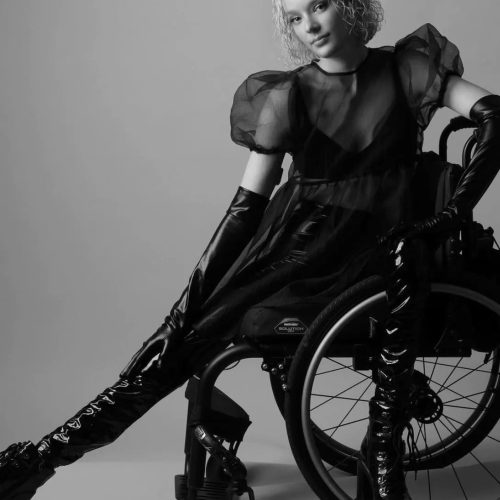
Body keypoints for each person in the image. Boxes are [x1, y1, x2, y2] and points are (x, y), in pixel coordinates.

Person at [1, 1, 499, 499]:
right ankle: (41, 459)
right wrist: (188, 302)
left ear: (350, 5)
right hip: (308, 244)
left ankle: (384, 451)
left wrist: (452, 213)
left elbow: (494, 114)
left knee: (402, 262)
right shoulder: (288, 95)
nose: (308, 26)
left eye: (319, 6)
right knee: (181, 340)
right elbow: (245, 208)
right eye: (294, 17)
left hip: (394, 244)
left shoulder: (406, 67)